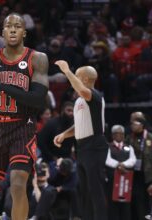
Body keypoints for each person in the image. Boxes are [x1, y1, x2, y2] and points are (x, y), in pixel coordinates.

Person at [0, 13, 49, 220]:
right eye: (9, 26)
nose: (13, 29)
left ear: (24, 32)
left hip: (22, 127)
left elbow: (37, 100)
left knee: (18, 184)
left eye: (18, 26)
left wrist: (1, 86)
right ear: (3, 32)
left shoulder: (37, 58)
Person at [53, 61, 108, 220]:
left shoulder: (95, 96)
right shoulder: (78, 101)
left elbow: (83, 90)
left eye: (76, 76)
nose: (72, 79)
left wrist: (66, 71)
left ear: (84, 79)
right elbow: (80, 125)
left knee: (96, 190)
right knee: (84, 191)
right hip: (82, 147)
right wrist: (64, 135)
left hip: (95, 145)